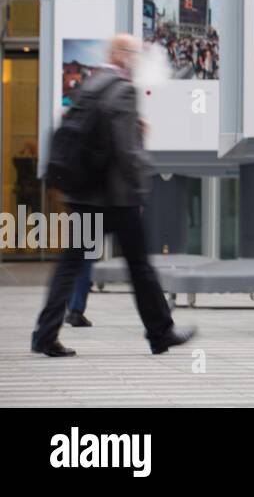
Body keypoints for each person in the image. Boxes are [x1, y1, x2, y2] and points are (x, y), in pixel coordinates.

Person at [31, 34, 195, 358]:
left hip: (84, 195)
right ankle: (161, 332)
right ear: (120, 54)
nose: (137, 60)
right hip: (116, 198)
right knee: (140, 266)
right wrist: (140, 189)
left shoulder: (90, 83)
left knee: (70, 265)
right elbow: (127, 152)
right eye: (133, 53)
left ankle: (44, 335)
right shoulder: (123, 90)